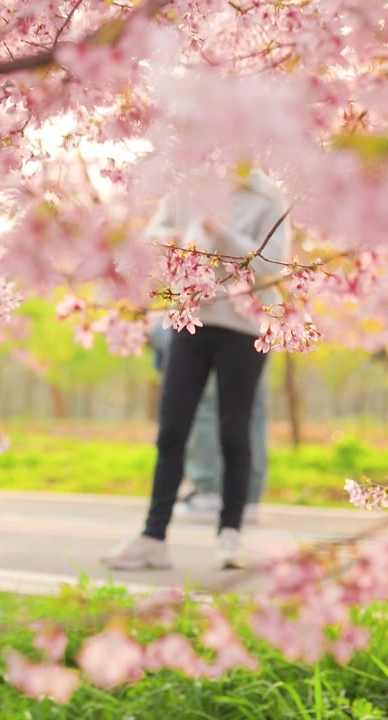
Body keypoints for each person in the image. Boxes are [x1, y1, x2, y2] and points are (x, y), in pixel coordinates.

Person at [104, 168, 291, 571]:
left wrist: (218, 229)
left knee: (233, 429)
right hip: (190, 318)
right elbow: (157, 231)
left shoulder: (268, 198)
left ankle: (230, 535)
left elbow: (272, 267)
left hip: (243, 326)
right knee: (172, 430)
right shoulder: (189, 183)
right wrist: (173, 240)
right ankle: (153, 537)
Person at [149, 323, 267, 525]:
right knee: (247, 409)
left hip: (215, 319)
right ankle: (247, 496)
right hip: (253, 323)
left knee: (208, 403)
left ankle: (209, 490)